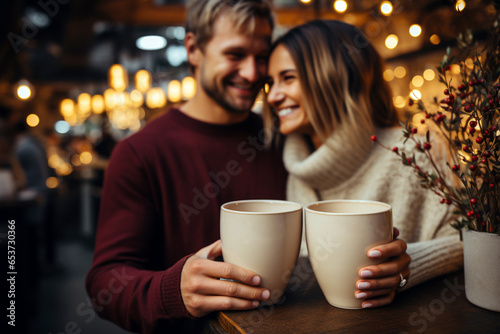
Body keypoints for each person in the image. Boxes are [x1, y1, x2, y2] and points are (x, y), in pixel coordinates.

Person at [85, 1, 287, 333]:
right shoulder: (139, 153)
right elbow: (104, 283)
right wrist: (172, 290)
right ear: (193, 49)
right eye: (235, 55)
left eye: (261, 57)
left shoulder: (284, 140)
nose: (253, 73)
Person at [265, 20, 463, 308]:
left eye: (288, 77)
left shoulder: (416, 154)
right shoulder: (298, 170)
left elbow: (476, 240)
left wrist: (411, 265)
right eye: (271, 82)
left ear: (335, 76)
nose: (272, 96)